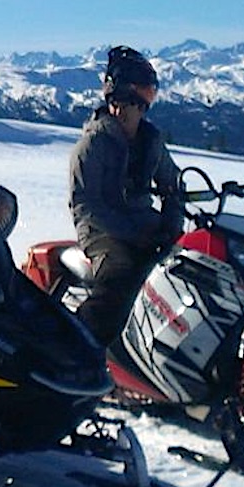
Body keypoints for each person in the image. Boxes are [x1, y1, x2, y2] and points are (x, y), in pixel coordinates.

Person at [68, 46, 183, 348]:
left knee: (184, 266)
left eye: (151, 93)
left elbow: (172, 184)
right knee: (121, 274)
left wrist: (172, 222)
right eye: (143, 92)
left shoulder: (151, 140)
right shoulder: (93, 144)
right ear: (121, 97)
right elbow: (86, 204)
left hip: (143, 224)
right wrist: (132, 234)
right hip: (101, 232)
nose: (144, 104)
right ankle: (84, 348)